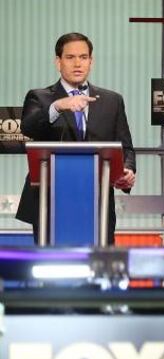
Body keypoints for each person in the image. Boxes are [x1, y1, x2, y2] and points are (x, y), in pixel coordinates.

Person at [17, 32, 136, 244]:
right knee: (53, 262)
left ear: (91, 61)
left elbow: (125, 146)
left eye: (83, 57)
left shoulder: (112, 100)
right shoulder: (40, 97)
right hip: (51, 201)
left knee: (98, 262)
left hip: (98, 202)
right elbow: (29, 127)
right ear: (58, 62)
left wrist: (127, 170)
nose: (77, 63)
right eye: (70, 57)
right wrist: (57, 106)